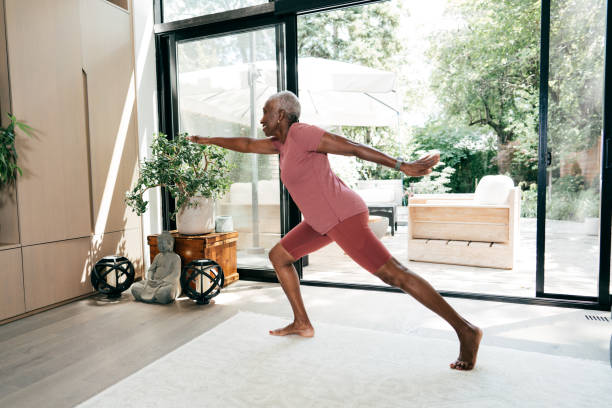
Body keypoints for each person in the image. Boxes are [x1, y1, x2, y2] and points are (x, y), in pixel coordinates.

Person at [187, 90, 482, 370]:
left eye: (266, 112)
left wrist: (401, 165)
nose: (261, 119)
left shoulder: (302, 133)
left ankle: (466, 330)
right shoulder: (282, 144)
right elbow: (247, 144)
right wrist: (207, 140)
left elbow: (352, 148)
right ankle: (302, 322)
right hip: (320, 222)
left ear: (282, 114)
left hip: (342, 216)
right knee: (279, 256)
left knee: (395, 275)